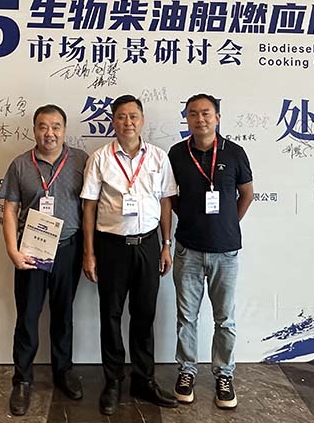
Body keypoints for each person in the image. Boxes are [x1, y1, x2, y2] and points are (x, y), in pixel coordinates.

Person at [81, 94, 178, 416]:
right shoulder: (100, 158)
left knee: (144, 314)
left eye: (133, 116)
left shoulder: (158, 157)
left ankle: (144, 380)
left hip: (148, 245)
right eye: (121, 116)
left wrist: (166, 244)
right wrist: (89, 253)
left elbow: (165, 202)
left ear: (142, 120)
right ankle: (113, 381)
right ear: (113, 121)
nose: (128, 122)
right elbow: (89, 207)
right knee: (110, 315)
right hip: (111, 246)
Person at [0, 104, 88, 416]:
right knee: (28, 315)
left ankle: (63, 371)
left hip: (69, 249)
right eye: (43, 126)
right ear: (34, 129)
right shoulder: (20, 165)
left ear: (65, 129)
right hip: (31, 251)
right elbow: (10, 210)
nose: (49, 133)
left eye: (55, 126)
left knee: (63, 314)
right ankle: (23, 380)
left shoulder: (81, 160)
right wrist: (12, 250)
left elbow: (91, 207)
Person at [168, 93, 253, 409]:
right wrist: (190, 218)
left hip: (225, 251)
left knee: (225, 319)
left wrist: (227, 223)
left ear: (217, 117)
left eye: (206, 113)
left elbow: (247, 194)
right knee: (186, 318)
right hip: (187, 249)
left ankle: (224, 375)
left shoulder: (235, 153)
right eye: (193, 113)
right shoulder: (177, 153)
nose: (200, 119)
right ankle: (186, 371)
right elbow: (170, 196)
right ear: (187, 119)